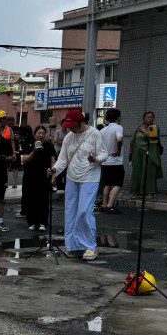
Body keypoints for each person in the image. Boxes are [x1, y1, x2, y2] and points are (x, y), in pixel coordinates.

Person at [52, 108, 108, 260]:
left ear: (81, 122)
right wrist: (54, 170)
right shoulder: (69, 137)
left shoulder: (94, 133)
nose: (69, 127)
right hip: (72, 178)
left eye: (72, 124)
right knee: (70, 211)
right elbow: (62, 159)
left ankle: (90, 246)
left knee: (84, 211)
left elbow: (104, 153)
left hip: (90, 178)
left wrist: (95, 159)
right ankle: (74, 245)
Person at [20, 125, 55, 230]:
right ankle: (32, 222)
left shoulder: (49, 146)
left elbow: (53, 161)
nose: (41, 135)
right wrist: (34, 151)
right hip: (30, 176)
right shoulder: (28, 144)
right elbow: (24, 160)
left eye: (43, 133)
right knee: (30, 199)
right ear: (35, 134)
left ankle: (43, 222)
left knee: (43, 200)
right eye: (39, 133)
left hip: (44, 176)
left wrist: (53, 175)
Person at [129, 110, 163, 197]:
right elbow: (132, 142)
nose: (150, 119)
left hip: (150, 153)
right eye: (148, 117)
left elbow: (153, 138)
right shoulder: (138, 128)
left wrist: (144, 130)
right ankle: (136, 191)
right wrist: (131, 153)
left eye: (152, 117)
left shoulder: (154, 127)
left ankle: (149, 192)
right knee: (137, 172)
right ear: (143, 119)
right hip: (138, 153)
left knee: (149, 173)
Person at [98, 107, 125, 214]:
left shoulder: (103, 130)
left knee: (107, 183)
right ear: (118, 118)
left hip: (105, 161)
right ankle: (110, 205)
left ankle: (104, 205)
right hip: (115, 161)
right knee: (118, 183)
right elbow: (119, 139)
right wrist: (118, 151)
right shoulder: (118, 127)